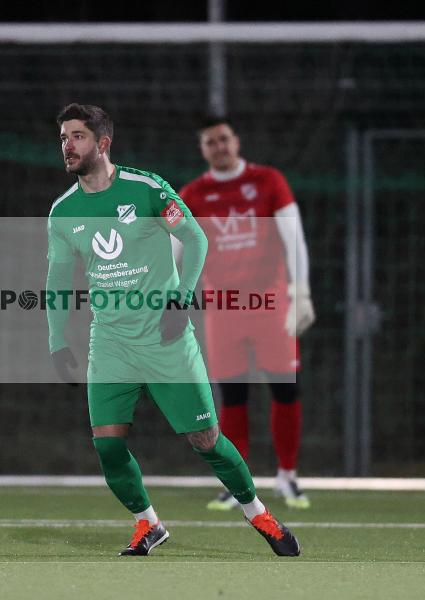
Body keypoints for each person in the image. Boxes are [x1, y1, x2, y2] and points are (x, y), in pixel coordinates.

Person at [46, 103, 300, 557]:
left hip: (165, 339)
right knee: (107, 447)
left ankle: (258, 512)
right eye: (63, 136)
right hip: (111, 345)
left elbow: (196, 238)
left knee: (206, 441)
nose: (67, 145)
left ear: (103, 143)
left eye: (78, 136)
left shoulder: (145, 189)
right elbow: (57, 281)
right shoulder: (63, 212)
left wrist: (180, 297)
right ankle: (148, 523)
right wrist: (56, 341)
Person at [179, 116, 316, 511]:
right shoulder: (194, 194)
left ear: (236, 141)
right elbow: (176, 250)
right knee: (231, 396)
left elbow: (294, 236)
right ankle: (236, 482)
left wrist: (300, 291)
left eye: (223, 138)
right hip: (223, 310)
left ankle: (287, 476)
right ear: (202, 150)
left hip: (270, 305)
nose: (218, 146)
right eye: (210, 142)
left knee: (285, 389)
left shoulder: (269, 180)